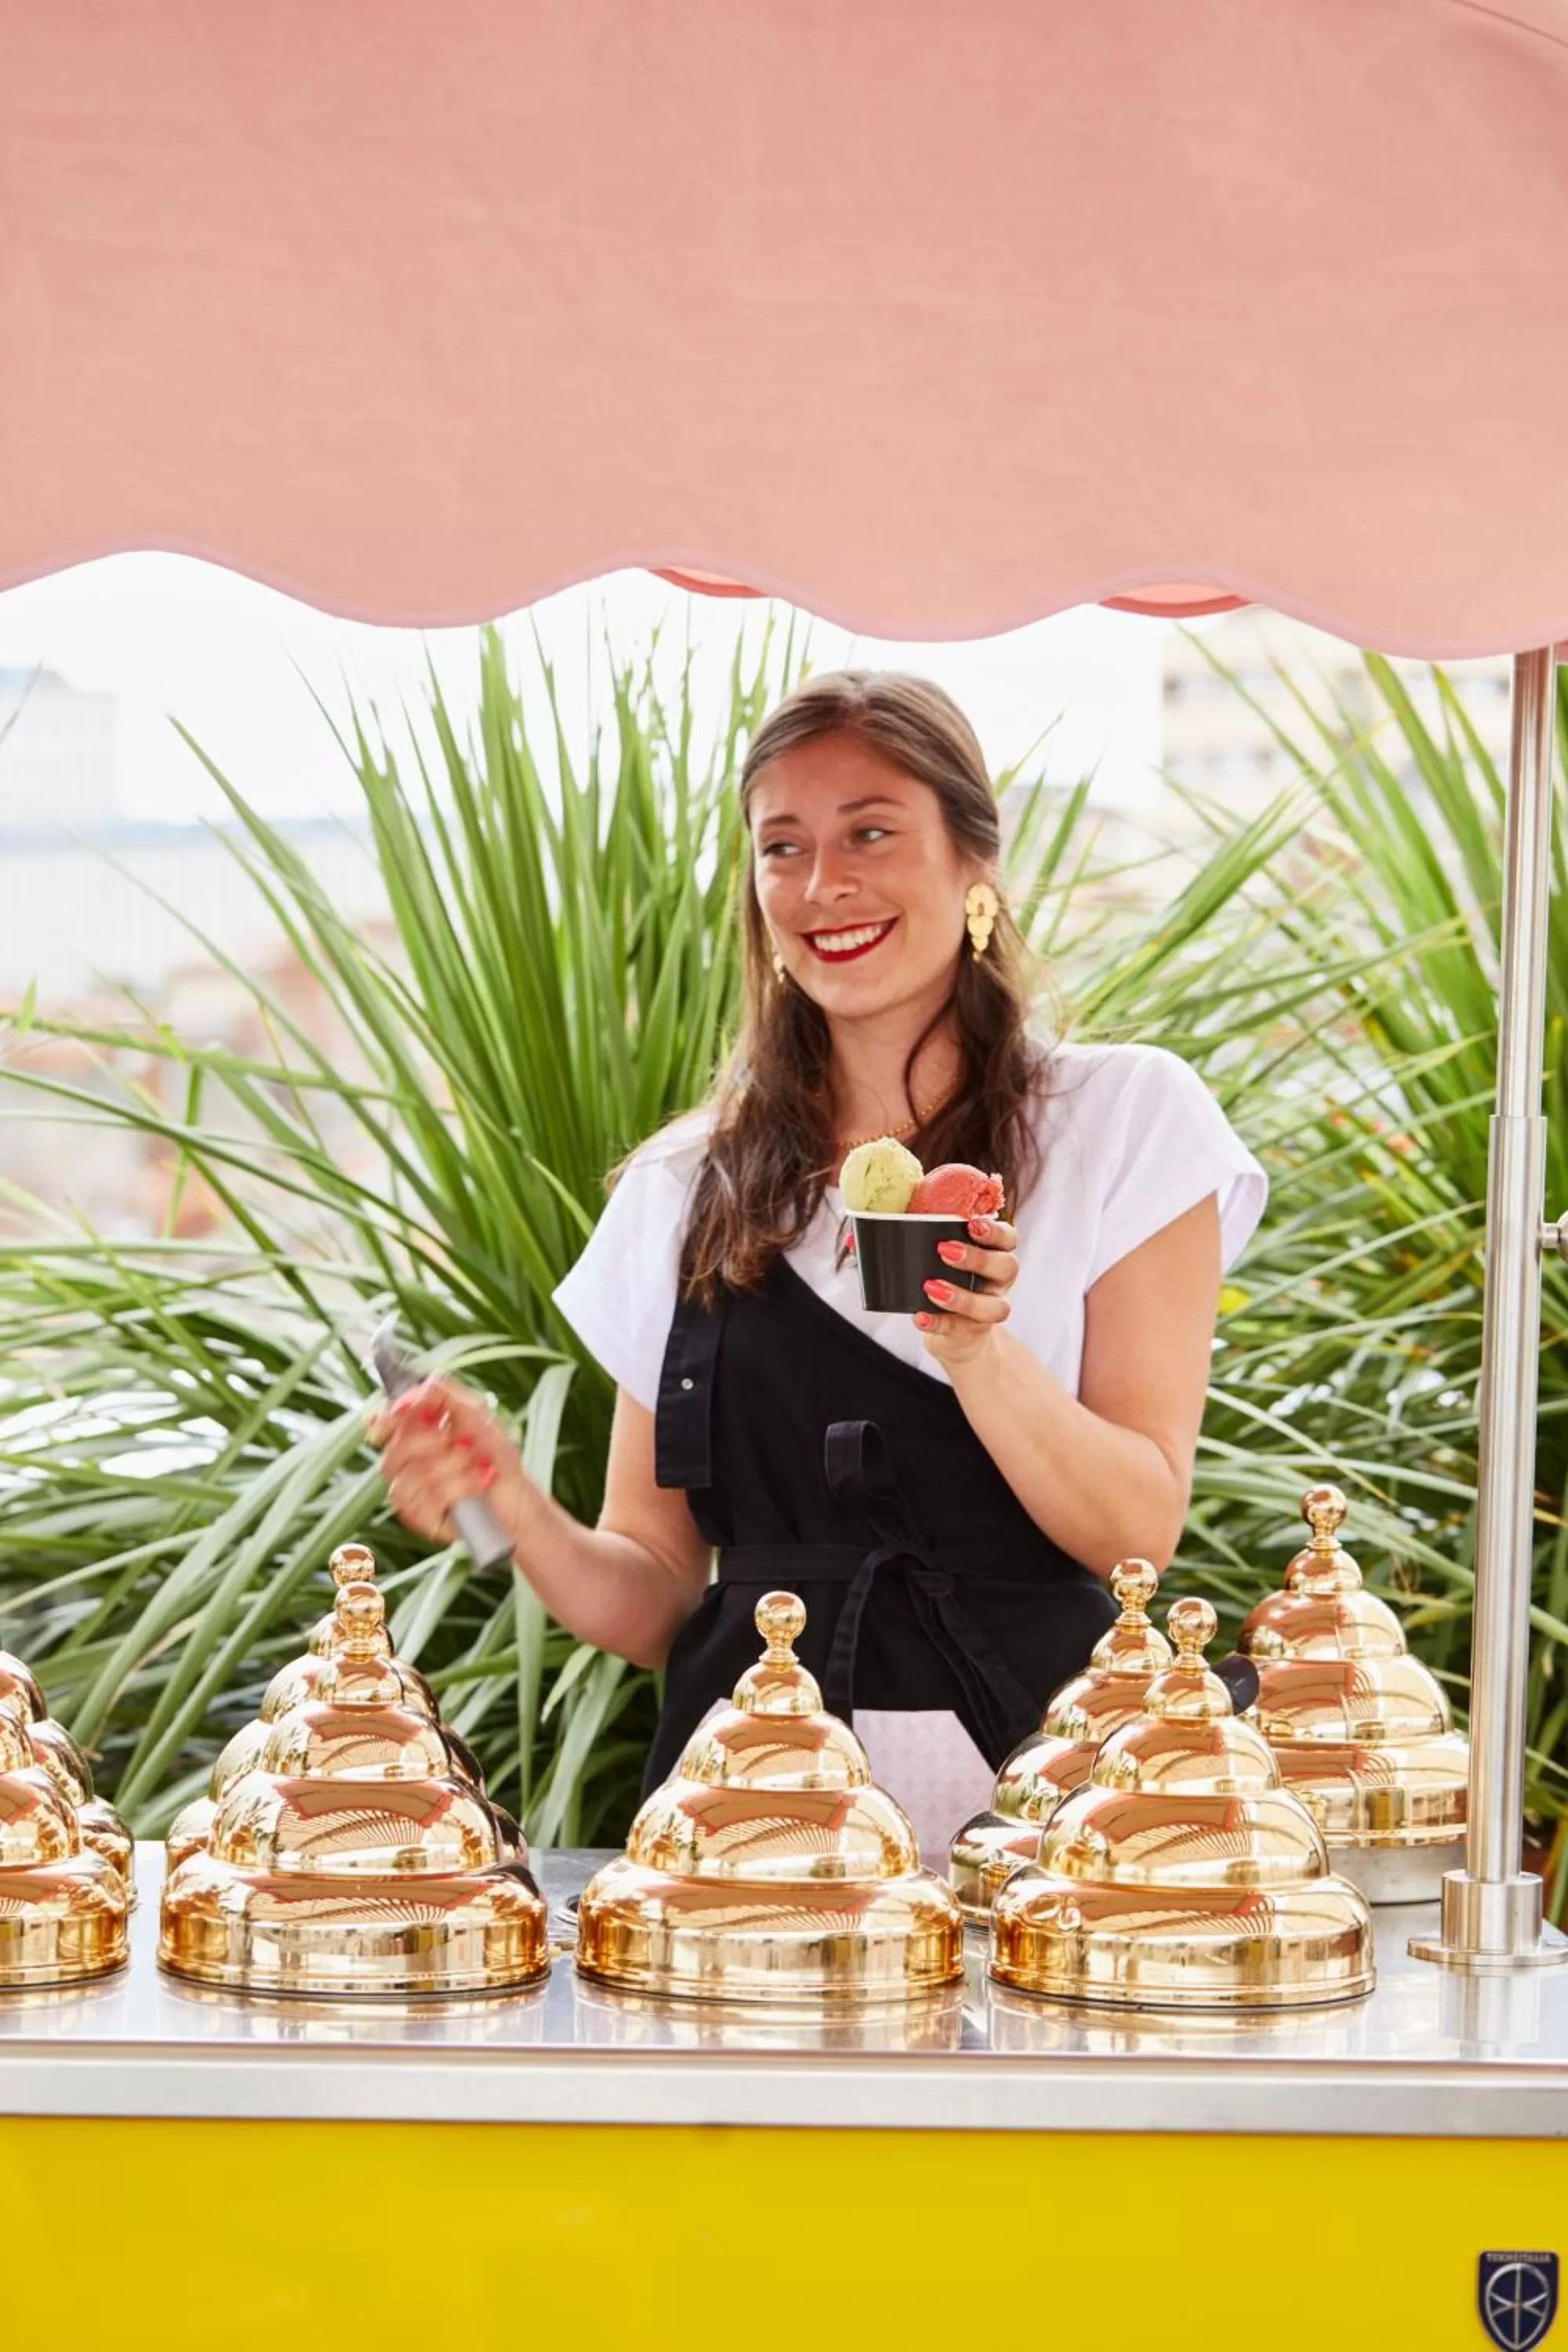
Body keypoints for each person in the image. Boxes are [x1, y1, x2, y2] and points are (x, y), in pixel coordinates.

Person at [368, 670, 1265, 1857]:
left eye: (872, 832)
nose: (821, 884)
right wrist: (515, 1508)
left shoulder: (1124, 1122)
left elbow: (1135, 1532)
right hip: (753, 1829)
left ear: (973, 860)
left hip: (1045, 1818)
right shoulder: (684, 1188)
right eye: (780, 845)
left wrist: (975, 1348)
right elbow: (655, 1595)